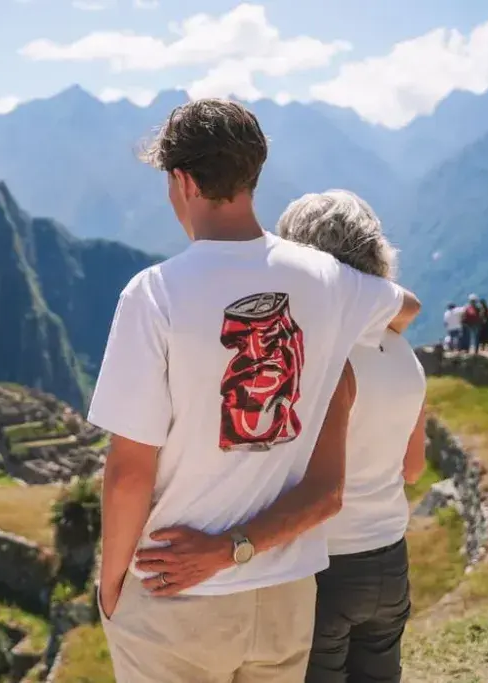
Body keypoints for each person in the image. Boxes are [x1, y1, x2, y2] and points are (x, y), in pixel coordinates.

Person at [89, 98, 421, 683]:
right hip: (285, 596)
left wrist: (112, 586)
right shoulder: (329, 281)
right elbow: (406, 307)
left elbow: (130, 472)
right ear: (254, 174)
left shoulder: (153, 295)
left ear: (182, 180)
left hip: (175, 598)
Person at [272, 193, 427, 683]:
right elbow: (413, 469)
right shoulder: (405, 352)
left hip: (325, 565)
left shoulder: (321, 354)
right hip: (390, 559)